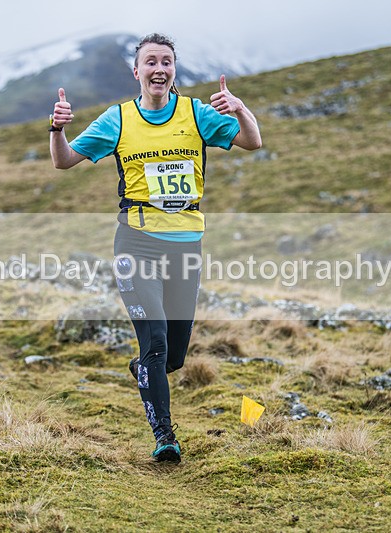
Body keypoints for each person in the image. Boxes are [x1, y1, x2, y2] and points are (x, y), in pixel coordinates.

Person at [49, 33, 261, 462]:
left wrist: (240, 110)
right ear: (137, 71)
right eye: (150, 62)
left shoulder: (196, 113)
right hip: (136, 242)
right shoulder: (118, 120)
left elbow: (252, 141)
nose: (159, 69)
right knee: (157, 342)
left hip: (186, 243)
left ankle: (146, 368)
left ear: (174, 70)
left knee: (173, 356)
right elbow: (64, 160)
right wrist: (57, 129)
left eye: (166, 61)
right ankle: (165, 436)